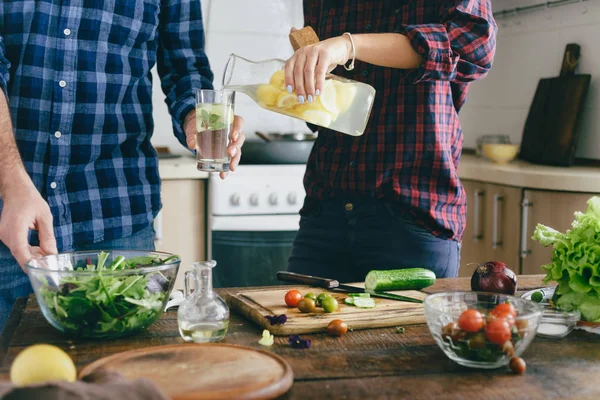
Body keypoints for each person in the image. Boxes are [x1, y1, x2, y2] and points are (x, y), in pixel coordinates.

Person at [0, 1, 245, 330]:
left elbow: (185, 65)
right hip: (9, 223)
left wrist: (194, 118)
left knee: (120, 375)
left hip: (115, 214)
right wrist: (12, 184)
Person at [286, 0, 497, 282]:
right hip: (326, 208)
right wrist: (308, 80)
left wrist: (349, 45)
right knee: (290, 324)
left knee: (412, 328)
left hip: (413, 212)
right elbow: (328, 107)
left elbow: (473, 47)